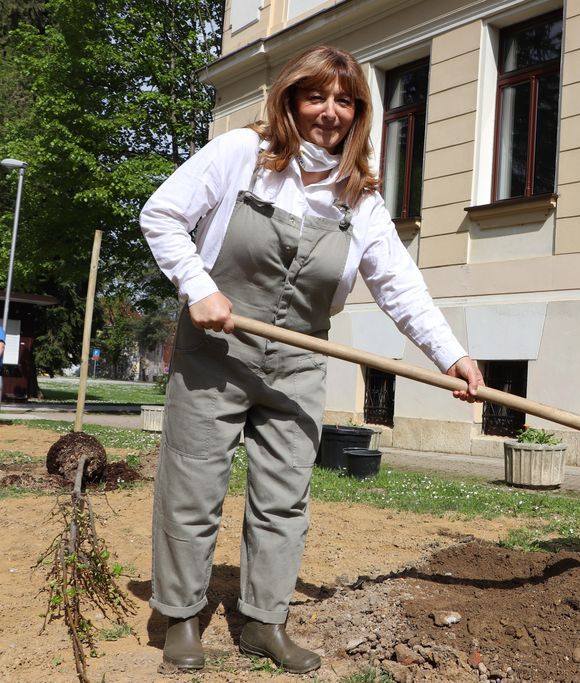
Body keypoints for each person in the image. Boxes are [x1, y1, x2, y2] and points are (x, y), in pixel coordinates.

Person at [140, 46, 484, 673]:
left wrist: (453, 357)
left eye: (345, 101)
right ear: (292, 99)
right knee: (193, 487)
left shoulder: (359, 200)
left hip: (298, 363)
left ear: (358, 113)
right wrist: (199, 287)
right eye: (316, 96)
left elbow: (401, 287)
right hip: (216, 351)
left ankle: (265, 623)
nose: (330, 112)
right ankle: (182, 617)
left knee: (285, 498)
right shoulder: (241, 155)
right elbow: (161, 214)